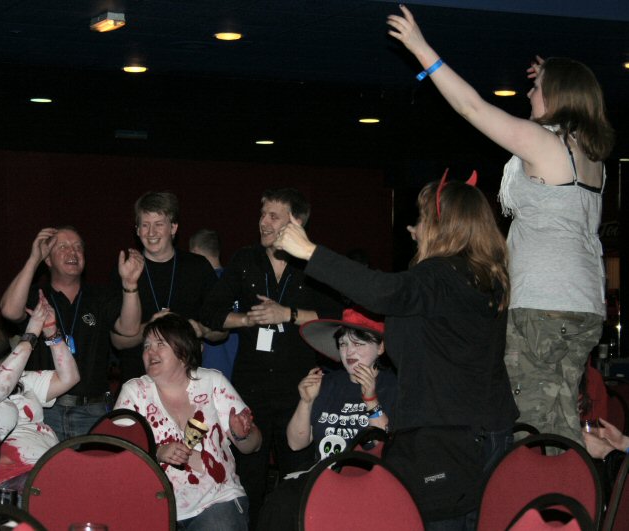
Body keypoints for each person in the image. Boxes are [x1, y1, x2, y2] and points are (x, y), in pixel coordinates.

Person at [387, 6, 615, 444]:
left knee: (533, 428)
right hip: (583, 304)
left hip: (544, 303)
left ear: (558, 96)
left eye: (537, 88)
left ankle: (548, 488)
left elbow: (471, 107)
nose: (529, 93)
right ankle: (578, 485)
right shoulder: (590, 156)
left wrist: (421, 49)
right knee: (560, 417)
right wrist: (552, 71)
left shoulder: (543, 143)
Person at [274, 176, 518, 529]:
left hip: (448, 436)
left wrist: (310, 252)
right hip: (486, 430)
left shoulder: (441, 274)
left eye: (422, 219)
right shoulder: (485, 277)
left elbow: (383, 292)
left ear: (442, 226)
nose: (412, 228)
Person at [201, 188, 342, 525]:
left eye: (273, 216)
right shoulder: (245, 260)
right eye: (262, 214)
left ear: (297, 222)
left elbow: (337, 317)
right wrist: (247, 320)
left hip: (299, 391)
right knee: (248, 479)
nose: (263, 222)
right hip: (250, 389)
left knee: (297, 479)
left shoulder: (314, 263)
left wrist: (288, 314)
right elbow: (209, 313)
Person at [115, 313, 261, 531]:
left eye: (160, 344)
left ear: (183, 350)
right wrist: (157, 451)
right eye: (146, 346)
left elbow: (253, 446)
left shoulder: (212, 382)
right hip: (156, 503)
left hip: (217, 499)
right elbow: (117, 450)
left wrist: (242, 434)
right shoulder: (135, 391)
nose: (150, 351)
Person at [257, 308, 397, 531]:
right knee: (279, 503)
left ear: (380, 347)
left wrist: (371, 399)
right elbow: (296, 443)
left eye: (358, 343)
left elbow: (387, 445)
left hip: (370, 480)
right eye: (343, 344)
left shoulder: (394, 385)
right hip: (325, 477)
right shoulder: (329, 383)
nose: (349, 351)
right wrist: (306, 401)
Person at [0, 226, 143, 440]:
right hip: (43, 410)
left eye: (78, 247)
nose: (72, 252)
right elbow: (9, 311)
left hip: (92, 410)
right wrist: (33, 259)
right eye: (63, 247)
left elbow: (130, 329)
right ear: (48, 260)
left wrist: (130, 285)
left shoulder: (99, 295)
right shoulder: (37, 295)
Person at [0, 290, 79, 491]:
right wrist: (31, 332)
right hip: (14, 478)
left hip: (49, 465)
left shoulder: (21, 379)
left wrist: (51, 332)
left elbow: (69, 378)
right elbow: (0, 387)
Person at [113, 192, 224, 384]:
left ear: (173, 227)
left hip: (187, 383)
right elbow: (118, 341)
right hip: (139, 383)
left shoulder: (198, 267)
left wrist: (200, 330)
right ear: (137, 230)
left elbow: (222, 331)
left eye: (159, 224)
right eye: (145, 225)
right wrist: (151, 328)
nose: (151, 232)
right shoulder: (126, 270)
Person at [189, 228, 239, 380]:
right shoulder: (239, 283)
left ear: (195, 252)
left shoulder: (197, 286)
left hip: (210, 375)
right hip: (242, 372)